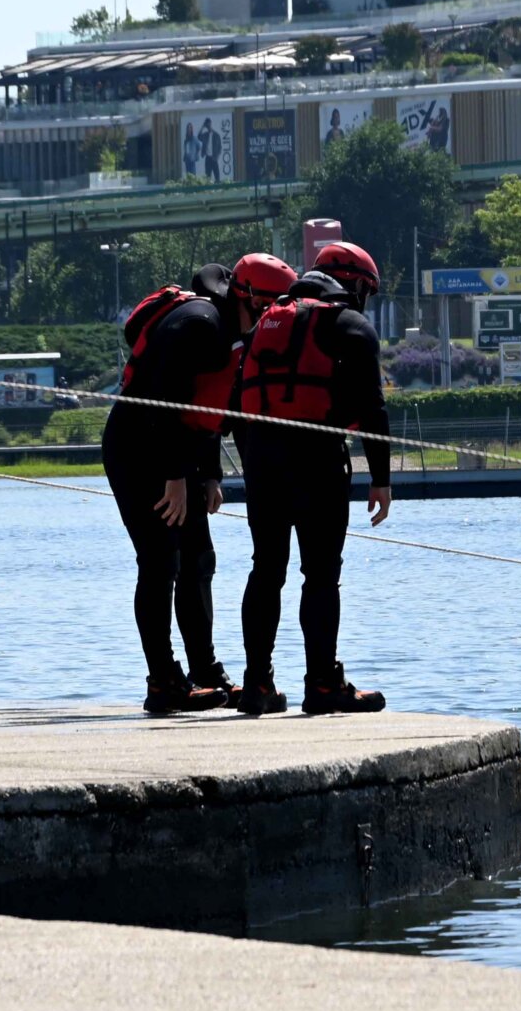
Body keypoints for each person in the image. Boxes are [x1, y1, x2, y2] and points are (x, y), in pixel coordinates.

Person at [104, 253, 295, 713]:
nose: (272, 320)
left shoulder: (229, 330)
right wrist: (174, 476)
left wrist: (209, 474)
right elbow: (164, 401)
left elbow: (207, 405)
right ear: (250, 300)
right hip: (139, 449)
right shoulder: (199, 325)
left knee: (197, 560)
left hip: (177, 453)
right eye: (270, 309)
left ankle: (204, 672)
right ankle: (163, 681)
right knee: (159, 561)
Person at [230, 240, 391, 715]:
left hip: (263, 462)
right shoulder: (350, 325)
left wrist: (254, 463)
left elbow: (238, 402)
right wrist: (381, 479)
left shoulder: (266, 322)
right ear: (355, 285)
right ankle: (322, 685)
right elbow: (373, 409)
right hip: (317, 459)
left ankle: (257, 684)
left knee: (266, 569)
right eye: (367, 291)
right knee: (320, 575)